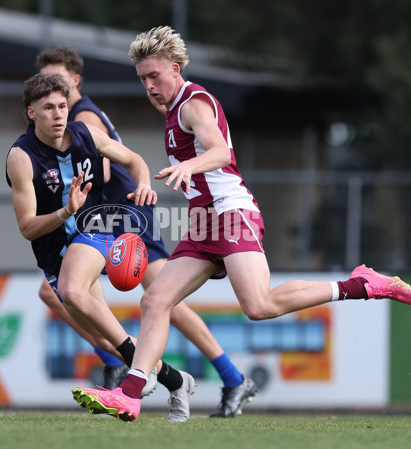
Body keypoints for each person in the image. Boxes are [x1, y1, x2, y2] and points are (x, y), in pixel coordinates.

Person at [71, 26, 411, 422]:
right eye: (142, 78)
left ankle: (361, 284)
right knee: (155, 299)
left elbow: (220, 151)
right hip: (204, 222)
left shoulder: (193, 104)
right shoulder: (170, 107)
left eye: (155, 76)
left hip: (232, 213)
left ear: (176, 68)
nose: (149, 85)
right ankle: (130, 395)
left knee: (259, 305)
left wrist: (188, 165)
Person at [35, 46, 257, 417]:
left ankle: (126, 362)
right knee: (82, 292)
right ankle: (215, 375)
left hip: (120, 213)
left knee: (150, 296)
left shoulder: (84, 118)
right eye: (45, 83)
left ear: (74, 81)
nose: (51, 90)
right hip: (104, 215)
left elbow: (100, 174)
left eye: (57, 81)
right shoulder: (67, 118)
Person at [6, 72, 195, 422]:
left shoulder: (86, 133)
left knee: (71, 291)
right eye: (48, 108)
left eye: (63, 105)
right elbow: (27, 228)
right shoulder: (21, 156)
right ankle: (175, 380)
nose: (59, 114)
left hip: (96, 229)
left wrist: (142, 185)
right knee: (109, 341)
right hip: (55, 252)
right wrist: (65, 210)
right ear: (31, 112)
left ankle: (133, 386)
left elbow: (134, 159)